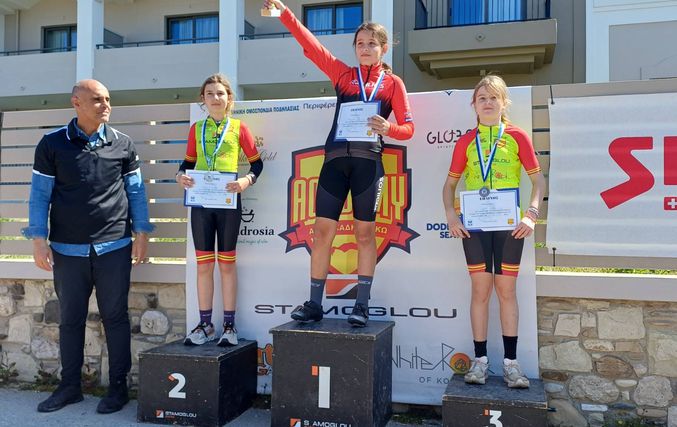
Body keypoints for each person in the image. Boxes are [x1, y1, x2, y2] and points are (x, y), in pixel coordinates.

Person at [263, 0, 414, 327]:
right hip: (334, 163)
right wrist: (286, 14)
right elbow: (313, 47)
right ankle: (314, 304)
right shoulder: (344, 75)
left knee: (365, 234)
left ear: (383, 48)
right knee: (321, 233)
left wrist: (388, 129)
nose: (365, 48)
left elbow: (408, 128)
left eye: (371, 43)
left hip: (368, 165)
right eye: (360, 43)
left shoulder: (393, 84)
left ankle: (361, 305)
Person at [23, 79, 153, 413]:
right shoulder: (52, 144)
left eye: (108, 99)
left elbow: (136, 192)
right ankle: (69, 388)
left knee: (115, 317)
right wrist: (38, 241)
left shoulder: (123, 144)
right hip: (67, 250)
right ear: (76, 103)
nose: (105, 105)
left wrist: (141, 233)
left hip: (115, 247)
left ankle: (119, 389)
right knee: (70, 319)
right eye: (97, 100)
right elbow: (39, 195)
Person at [442, 75, 545, 388]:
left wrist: (531, 214)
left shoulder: (517, 136)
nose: (487, 103)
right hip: (475, 227)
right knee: (480, 292)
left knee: (507, 292)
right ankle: (480, 362)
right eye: (482, 98)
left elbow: (538, 181)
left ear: (504, 103)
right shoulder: (466, 141)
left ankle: (511, 364)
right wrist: (452, 216)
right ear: (474, 105)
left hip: (509, 228)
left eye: (493, 98)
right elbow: (449, 185)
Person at [176, 73, 263, 346]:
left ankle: (229, 326)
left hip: (228, 203)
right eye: (210, 93)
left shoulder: (239, 127)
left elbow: (257, 164)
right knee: (204, 266)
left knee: (226, 264)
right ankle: (205, 325)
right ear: (203, 99)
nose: (215, 98)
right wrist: (180, 176)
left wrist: (246, 180)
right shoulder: (196, 129)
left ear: (229, 98)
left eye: (220, 93)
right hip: (202, 203)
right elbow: (187, 164)